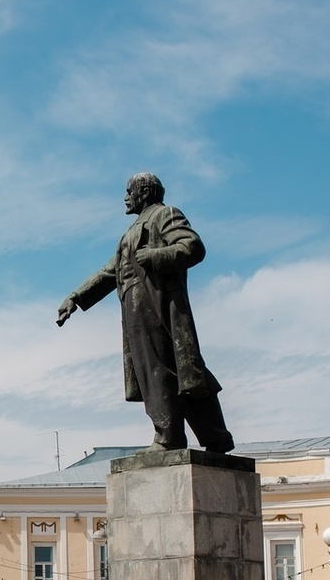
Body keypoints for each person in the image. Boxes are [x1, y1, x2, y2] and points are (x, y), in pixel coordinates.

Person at [57, 173, 233, 455]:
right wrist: (76, 297)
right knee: (173, 369)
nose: (125, 197)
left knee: (164, 370)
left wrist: (155, 256)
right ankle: (215, 436)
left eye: (129, 191)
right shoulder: (132, 230)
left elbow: (192, 247)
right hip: (135, 308)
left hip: (157, 303)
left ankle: (169, 437)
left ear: (145, 191)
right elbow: (109, 271)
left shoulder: (165, 215)